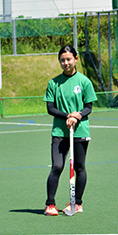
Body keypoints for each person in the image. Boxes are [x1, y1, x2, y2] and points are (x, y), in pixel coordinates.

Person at [43, 45, 97, 216]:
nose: (65, 63)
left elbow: (89, 107)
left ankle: (78, 203)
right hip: (60, 132)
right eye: (62, 60)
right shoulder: (54, 83)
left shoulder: (84, 82)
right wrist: (68, 115)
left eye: (68, 59)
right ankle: (50, 204)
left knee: (80, 167)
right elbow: (50, 108)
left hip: (80, 131)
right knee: (57, 166)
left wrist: (77, 116)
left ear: (76, 59)